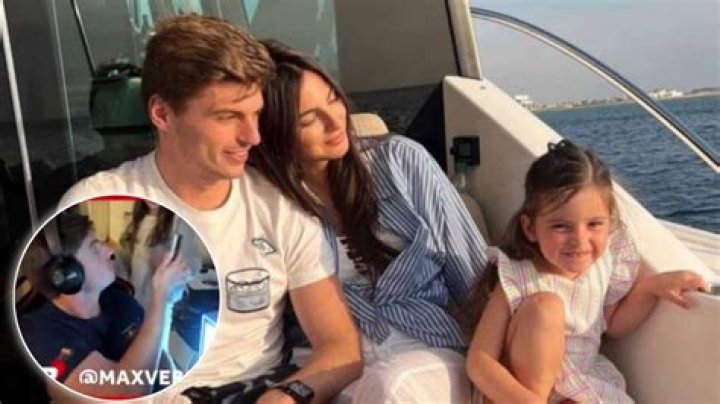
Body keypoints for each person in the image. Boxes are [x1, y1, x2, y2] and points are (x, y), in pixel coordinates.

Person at [60, 15, 361, 403]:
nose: (252, 136)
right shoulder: (94, 206)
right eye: (228, 117)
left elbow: (340, 348)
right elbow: (67, 381)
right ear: (162, 114)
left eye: (255, 114)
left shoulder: (279, 204)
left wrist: (290, 395)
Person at [251, 40, 487, 402]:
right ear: (274, 134)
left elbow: (474, 281)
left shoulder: (401, 162)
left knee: (392, 386)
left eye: (333, 99)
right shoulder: (268, 203)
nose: (335, 121)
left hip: (426, 354)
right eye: (309, 119)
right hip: (326, 369)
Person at [463, 140, 709, 403]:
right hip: (517, 394)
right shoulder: (517, 277)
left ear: (609, 222)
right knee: (546, 308)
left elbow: (613, 325)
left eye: (594, 224)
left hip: (578, 385)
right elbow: (480, 362)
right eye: (561, 226)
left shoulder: (604, 263)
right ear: (530, 228)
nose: (579, 241)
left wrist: (651, 288)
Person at [17, 209, 188, 399]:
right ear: (67, 274)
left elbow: (158, 356)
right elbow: (124, 393)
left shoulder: (120, 299)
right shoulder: (41, 332)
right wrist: (161, 294)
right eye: (94, 247)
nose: (110, 251)